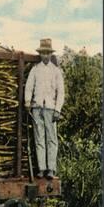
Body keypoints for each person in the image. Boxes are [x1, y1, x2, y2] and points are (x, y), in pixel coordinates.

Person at [25, 38, 65, 180]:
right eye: (43, 53)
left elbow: (61, 92)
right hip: (37, 108)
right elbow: (29, 87)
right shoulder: (35, 70)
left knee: (52, 139)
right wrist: (28, 102)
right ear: (40, 54)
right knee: (39, 138)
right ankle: (41, 168)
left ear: (51, 54)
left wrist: (57, 110)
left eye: (48, 53)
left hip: (50, 108)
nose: (45, 56)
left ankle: (51, 169)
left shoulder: (56, 71)